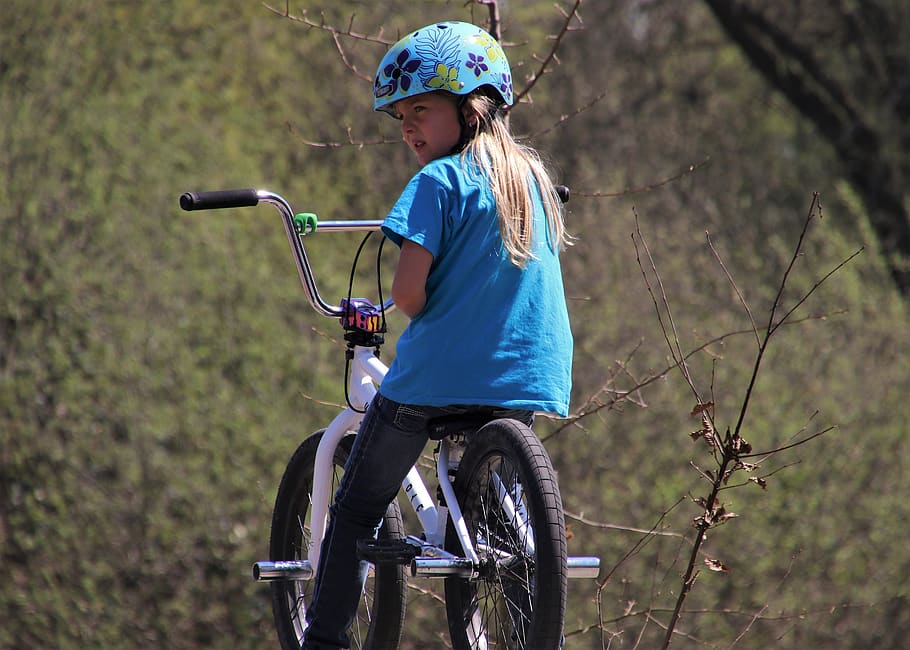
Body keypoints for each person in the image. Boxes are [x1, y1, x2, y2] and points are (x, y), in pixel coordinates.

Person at [301, 21, 573, 649]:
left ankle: (325, 641)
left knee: (356, 508)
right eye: (401, 118)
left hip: (436, 382)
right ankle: (527, 594)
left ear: (470, 104)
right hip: (527, 374)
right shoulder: (528, 180)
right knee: (499, 514)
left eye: (420, 109)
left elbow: (407, 296)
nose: (408, 129)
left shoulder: (435, 184)